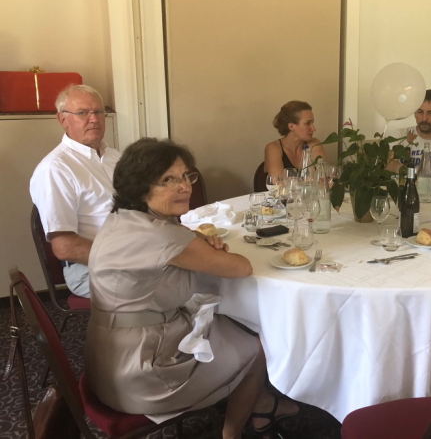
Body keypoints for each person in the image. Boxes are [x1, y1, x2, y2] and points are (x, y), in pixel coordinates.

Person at [84, 138, 296, 439]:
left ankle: (260, 403)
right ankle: (232, 432)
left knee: (227, 322)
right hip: (143, 374)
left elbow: (173, 241)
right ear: (140, 187)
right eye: (168, 180)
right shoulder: (161, 236)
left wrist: (194, 239)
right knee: (257, 345)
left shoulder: (122, 218)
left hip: (106, 362)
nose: (184, 186)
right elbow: (241, 267)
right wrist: (200, 244)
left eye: (185, 175)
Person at [29, 84, 120, 298]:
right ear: (62, 119)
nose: (94, 119)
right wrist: (129, 258)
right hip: (92, 268)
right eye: (82, 113)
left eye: (98, 111)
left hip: (134, 252)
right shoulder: (55, 169)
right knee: (172, 288)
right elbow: (65, 247)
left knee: (189, 275)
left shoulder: (115, 157)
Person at [264, 100, 326, 176]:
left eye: (312, 123)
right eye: (307, 123)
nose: (313, 128)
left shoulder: (314, 144)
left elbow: (323, 176)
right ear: (291, 126)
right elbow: (277, 181)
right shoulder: (273, 148)